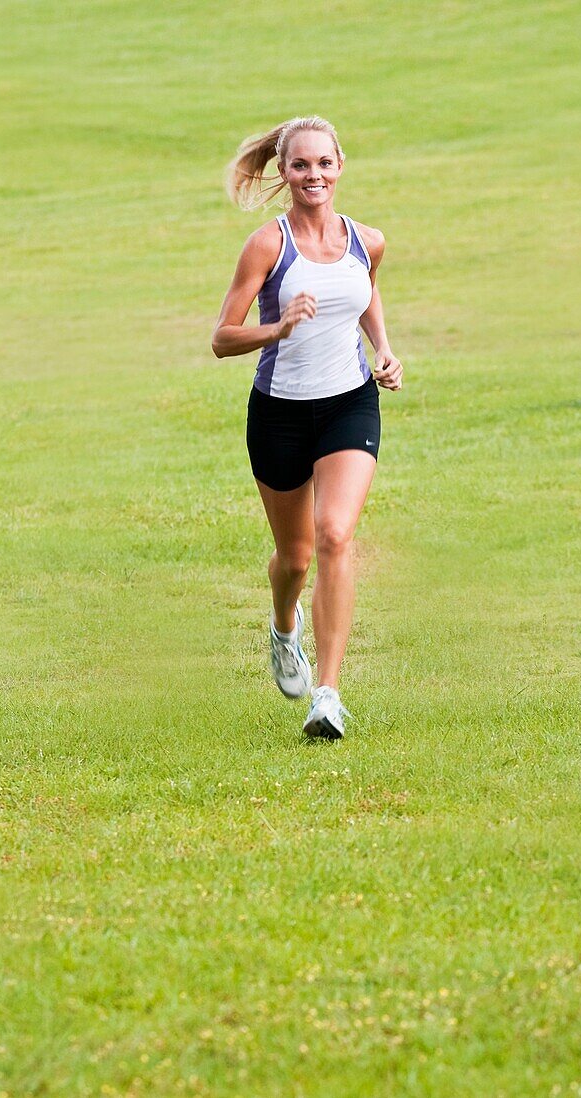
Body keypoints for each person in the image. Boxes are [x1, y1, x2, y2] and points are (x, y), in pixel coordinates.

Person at [211, 115, 403, 740]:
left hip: (350, 402)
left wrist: (384, 349)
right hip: (280, 411)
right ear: (284, 172)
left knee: (335, 533)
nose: (314, 175)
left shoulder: (367, 240)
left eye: (324, 163)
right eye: (301, 165)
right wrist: (278, 327)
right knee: (293, 559)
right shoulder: (268, 246)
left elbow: (366, 292)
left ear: (341, 166)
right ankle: (283, 626)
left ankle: (328, 695)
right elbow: (221, 339)